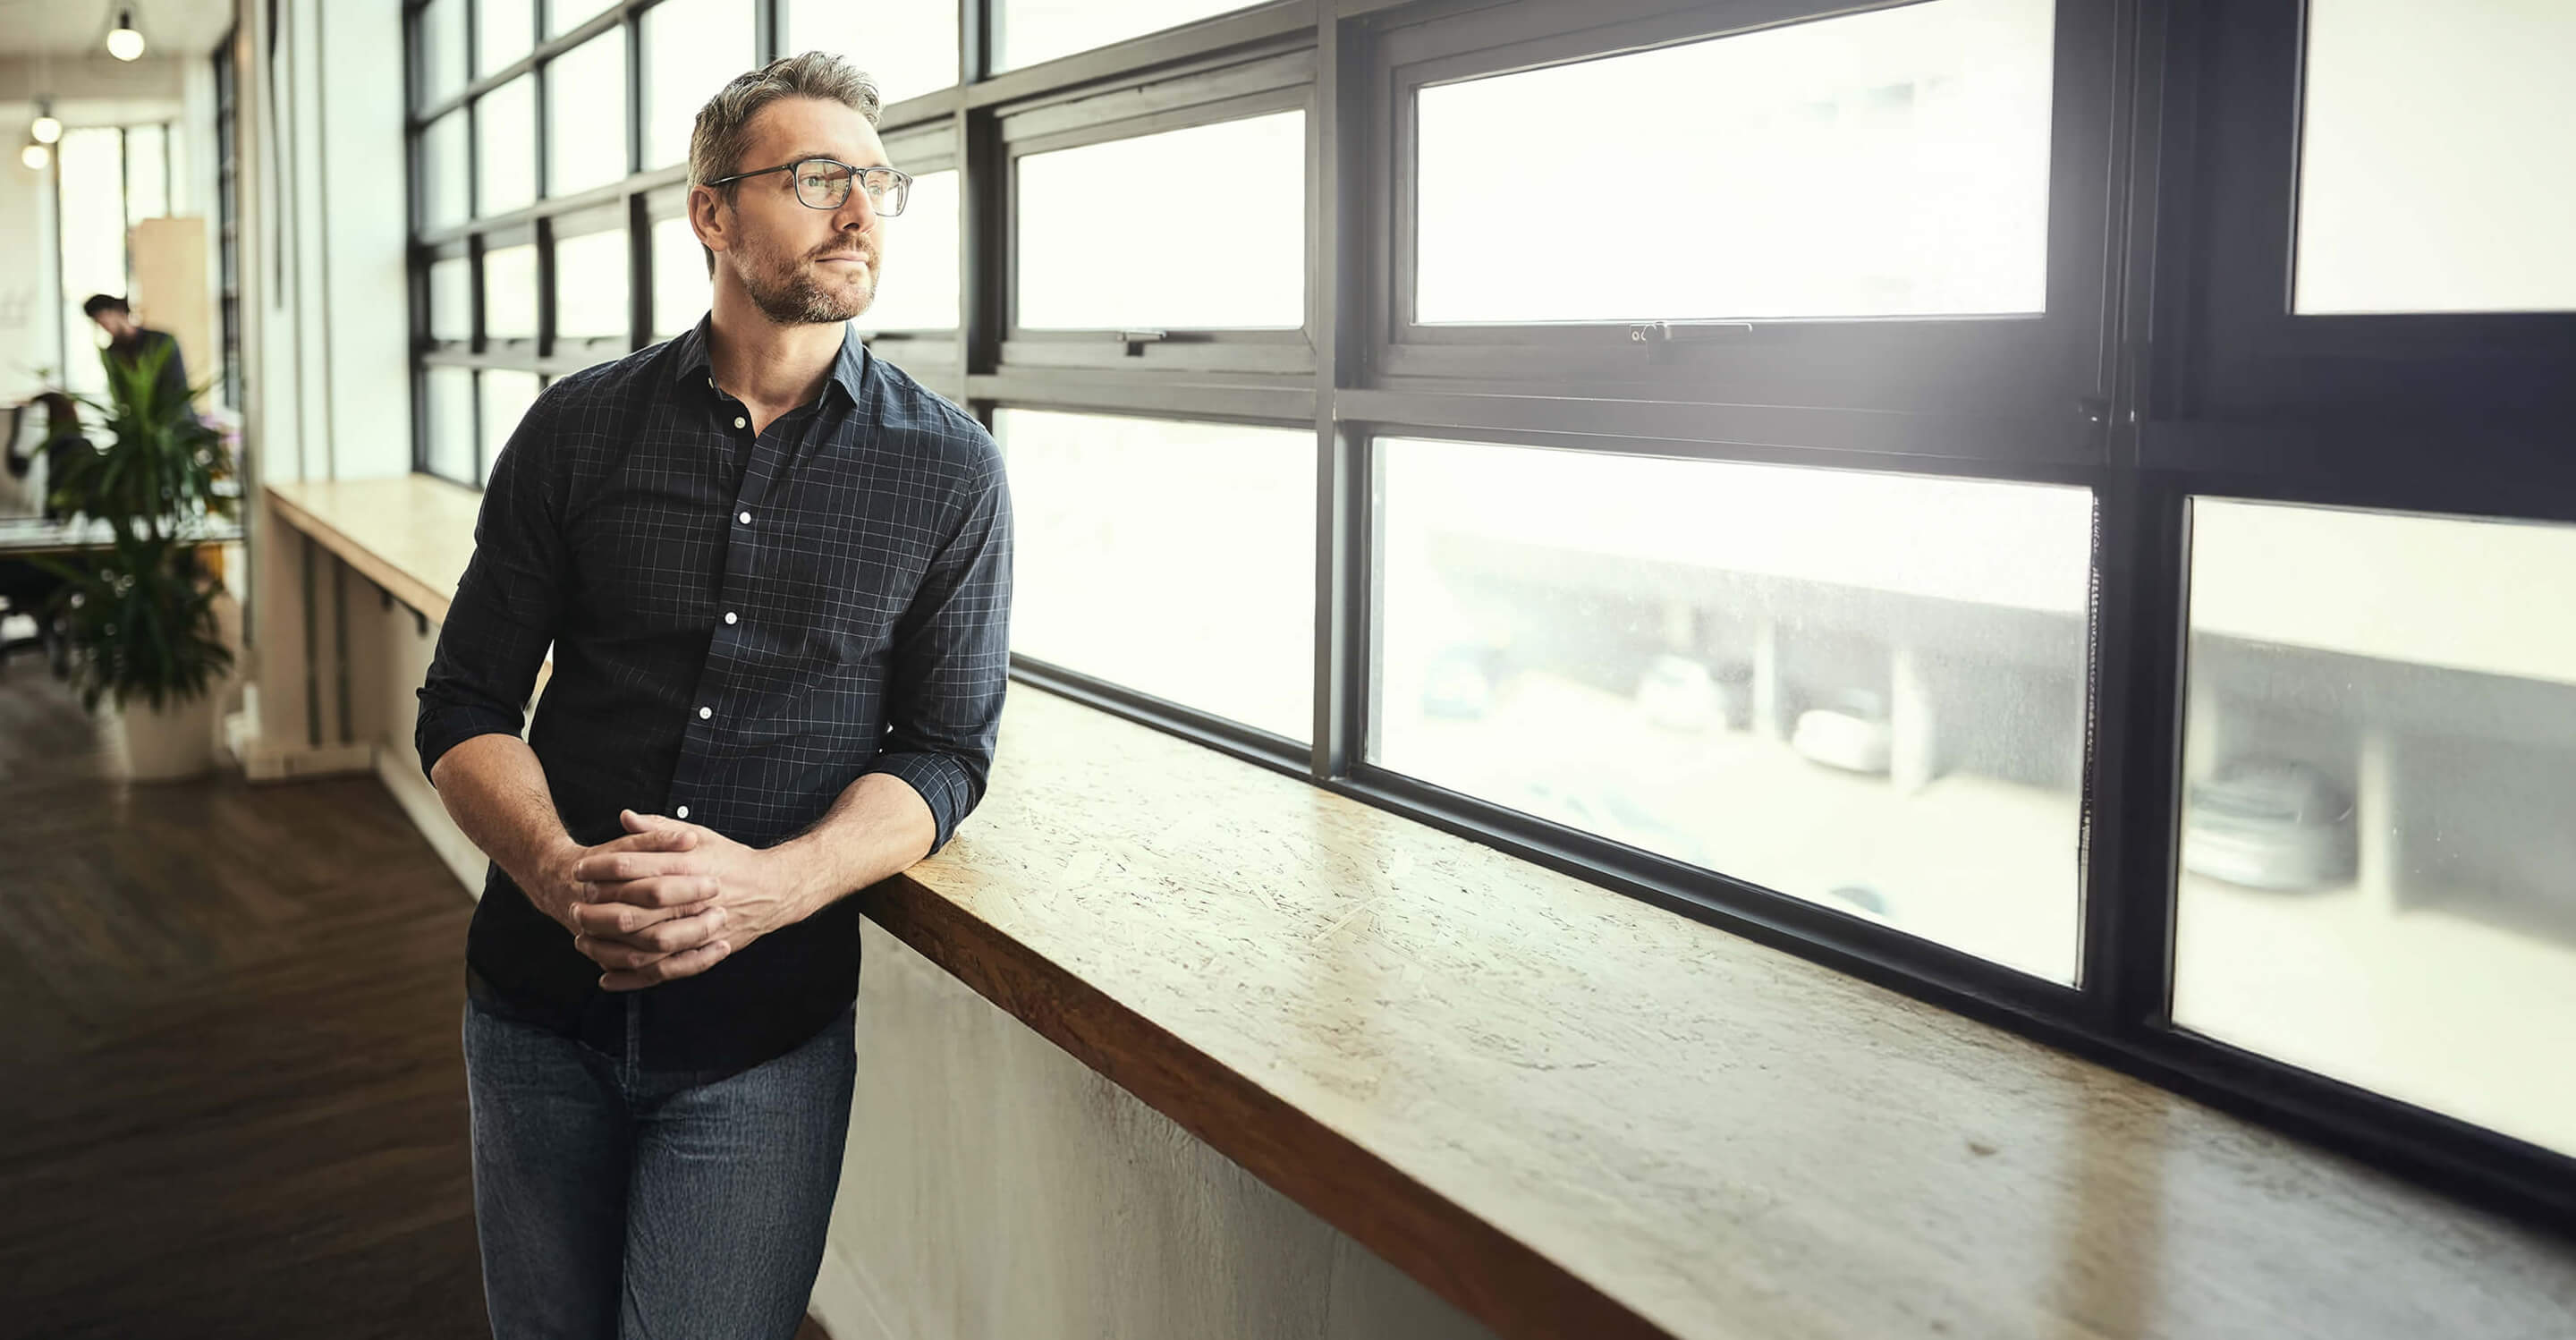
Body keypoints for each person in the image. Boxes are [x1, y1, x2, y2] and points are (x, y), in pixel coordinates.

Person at [414, 52, 1012, 1340]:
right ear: (712, 212)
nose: (857, 211)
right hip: (534, 1009)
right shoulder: (576, 430)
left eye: (875, 183)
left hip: (763, 1041)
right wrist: (561, 871)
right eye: (814, 178)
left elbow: (948, 753)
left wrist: (771, 887)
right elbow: (462, 705)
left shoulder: (952, 471)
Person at [82, 294, 192, 412]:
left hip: (175, 419)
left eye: (105, 319)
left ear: (119, 311)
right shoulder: (112, 353)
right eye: (100, 323)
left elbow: (178, 386)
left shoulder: (161, 341)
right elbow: (119, 393)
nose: (106, 327)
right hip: (139, 424)